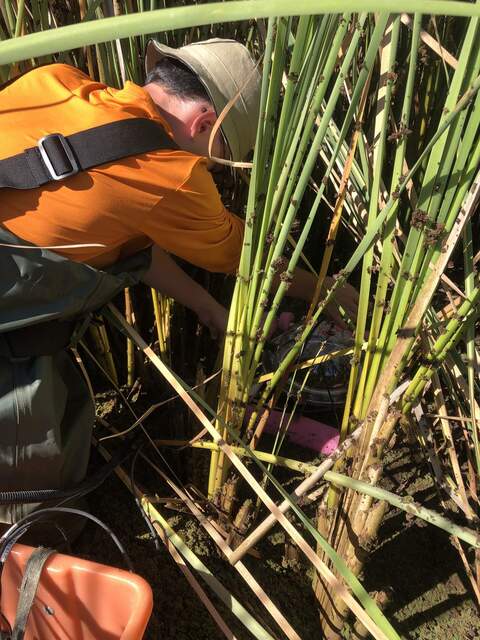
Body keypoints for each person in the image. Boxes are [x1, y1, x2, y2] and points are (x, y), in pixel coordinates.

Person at [0, 38, 357, 531]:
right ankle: (27, 547)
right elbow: (249, 262)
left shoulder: (58, 81)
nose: (212, 169)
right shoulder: (176, 176)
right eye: (220, 157)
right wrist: (335, 290)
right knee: (37, 469)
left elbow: (129, 244)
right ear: (205, 125)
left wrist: (210, 310)